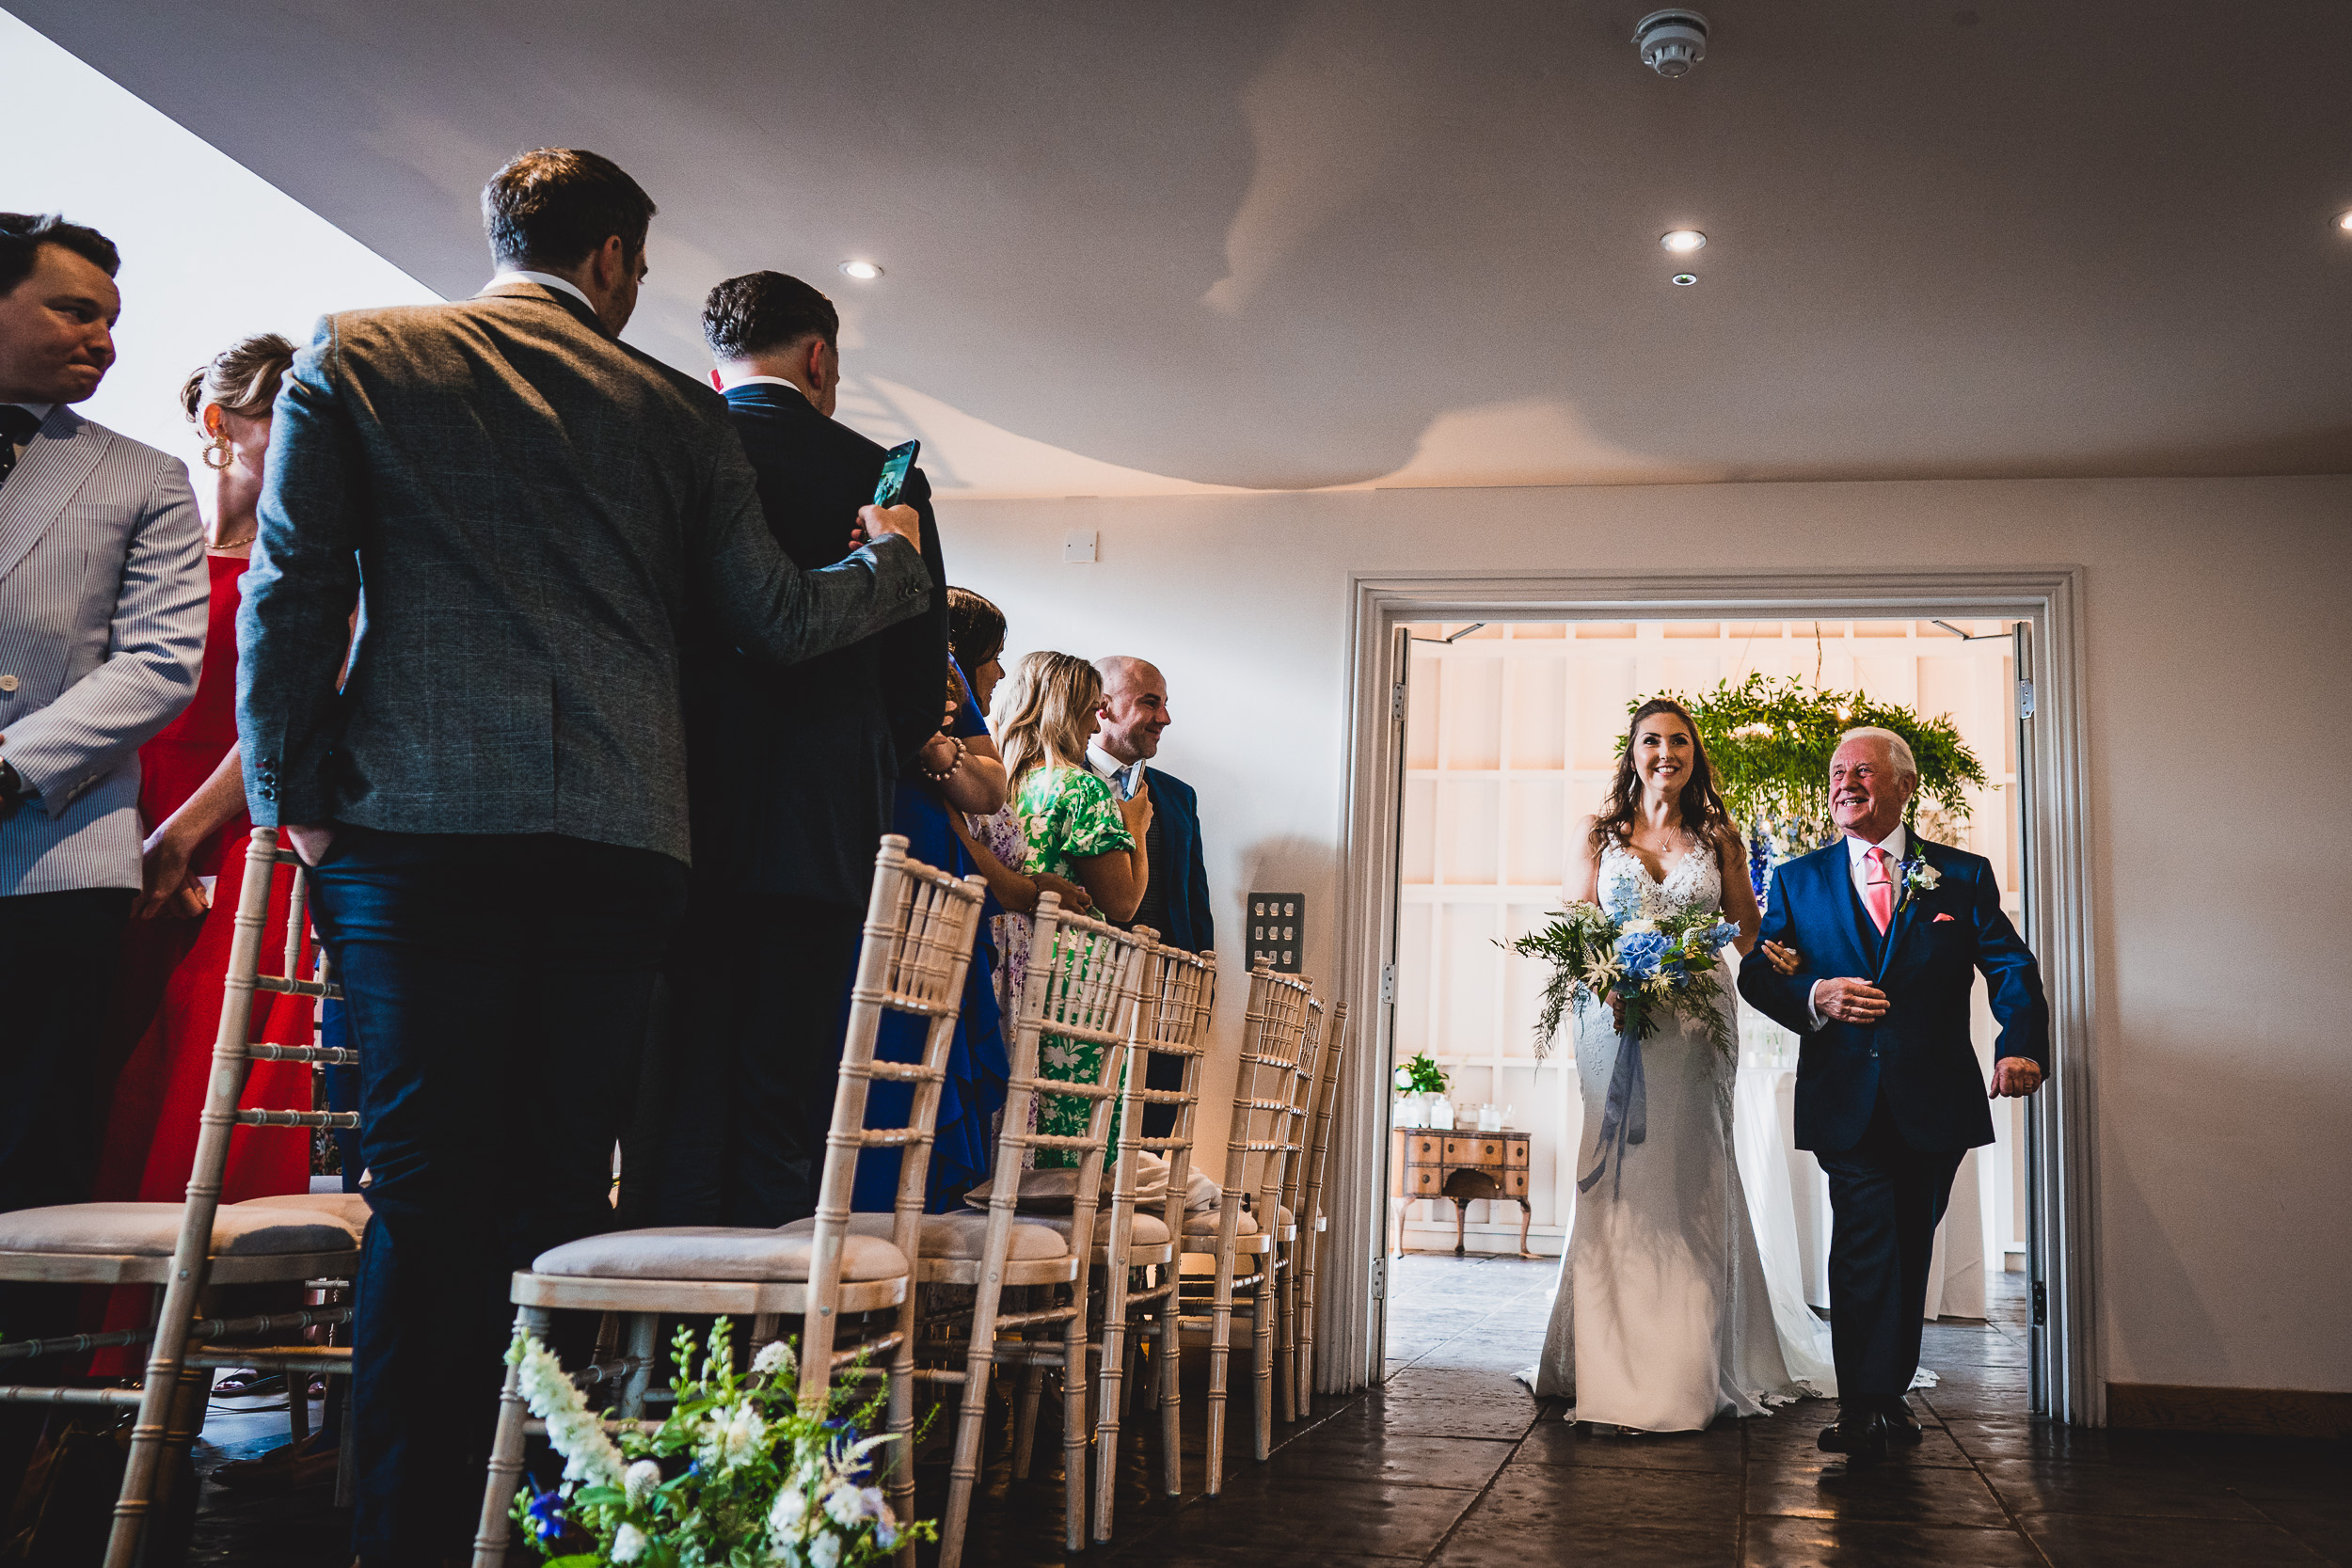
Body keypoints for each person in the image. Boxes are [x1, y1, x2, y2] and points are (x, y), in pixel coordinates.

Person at [236, 149, 933, 1564]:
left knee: (423, 1189)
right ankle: (550, 1516)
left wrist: (291, 796)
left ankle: (406, 1531)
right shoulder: (676, 411)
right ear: (615, 259)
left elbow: (290, 587)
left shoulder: (362, 355)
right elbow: (781, 619)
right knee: (564, 1192)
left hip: (416, 826)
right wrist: (895, 561)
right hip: (624, 840)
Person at [650, 269, 971, 1230]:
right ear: (819, 355)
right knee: (782, 1092)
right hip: (818, 822)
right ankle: (762, 1355)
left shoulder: (669, 449)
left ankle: (652, 1352)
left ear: (714, 359)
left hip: (672, 812)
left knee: (671, 1085)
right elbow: (919, 690)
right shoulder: (885, 481)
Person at [0, 212, 207, 1487]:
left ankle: (17, 1446)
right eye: (74, 307)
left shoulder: (139, 475)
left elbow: (163, 663)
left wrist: (12, 763)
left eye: (111, 316)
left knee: (29, 1162)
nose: (102, 336)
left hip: (49, 862)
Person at [1740, 726, 2048, 1463]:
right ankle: (1863, 1404)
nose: (1846, 781)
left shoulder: (1961, 875)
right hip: (1844, 1094)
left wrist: (2021, 1044)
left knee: (1909, 1243)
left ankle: (1886, 1391)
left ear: (1905, 786)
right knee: (1863, 1241)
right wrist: (1815, 992)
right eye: (1838, 771)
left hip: (1935, 1099)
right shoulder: (1796, 879)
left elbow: (2010, 967)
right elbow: (1759, 974)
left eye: (1865, 771)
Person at [1526, 698, 1812, 1431]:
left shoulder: (1718, 836)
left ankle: (1687, 1365)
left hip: (1698, 1026)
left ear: (1695, 754)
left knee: (1690, 1170)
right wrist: (1610, 979)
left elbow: (1748, 931)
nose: (1665, 752)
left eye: (1678, 741)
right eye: (1651, 740)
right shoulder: (1598, 835)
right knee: (1618, 1175)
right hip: (1613, 1019)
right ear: (1632, 751)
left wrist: (1785, 956)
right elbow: (1577, 928)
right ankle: (1607, 1359)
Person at [993, 651, 1152, 1164]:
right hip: (1073, 982)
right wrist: (1136, 828)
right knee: (1080, 1141)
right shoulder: (1080, 787)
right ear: (1066, 711)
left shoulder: (1004, 784)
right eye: (1089, 708)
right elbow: (1123, 903)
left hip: (1012, 967)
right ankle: (1080, 1240)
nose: (1093, 722)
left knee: (1021, 1122)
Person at [944, 589, 1090, 1018]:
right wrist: (1036, 891)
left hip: (1008, 954)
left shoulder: (979, 759)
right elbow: (966, 857)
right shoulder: (1079, 788)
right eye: (992, 656)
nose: (1000, 672)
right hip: (970, 949)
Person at [1088, 655, 1213, 1137]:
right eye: (1149, 702)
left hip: (1169, 996)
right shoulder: (1058, 783)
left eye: (1165, 704)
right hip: (1086, 988)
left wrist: (1203, 984)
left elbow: (1194, 899)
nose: (1164, 718)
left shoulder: (1178, 797)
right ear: (1103, 707)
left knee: (1156, 1136)